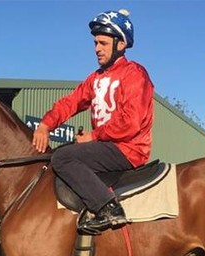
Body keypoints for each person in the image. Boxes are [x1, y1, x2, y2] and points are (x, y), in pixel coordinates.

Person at [32, 9, 154, 233]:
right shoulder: (95, 78)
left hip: (128, 149)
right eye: (95, 43)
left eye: (103, 43)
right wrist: (45, 124)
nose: (97, 48)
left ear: (121, 44)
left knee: (62, 158)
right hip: (105, 146)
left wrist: (93, 136)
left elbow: (132, 121)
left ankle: (109, 209)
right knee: (59, 152)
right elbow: (71, 102)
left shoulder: (135, 74)